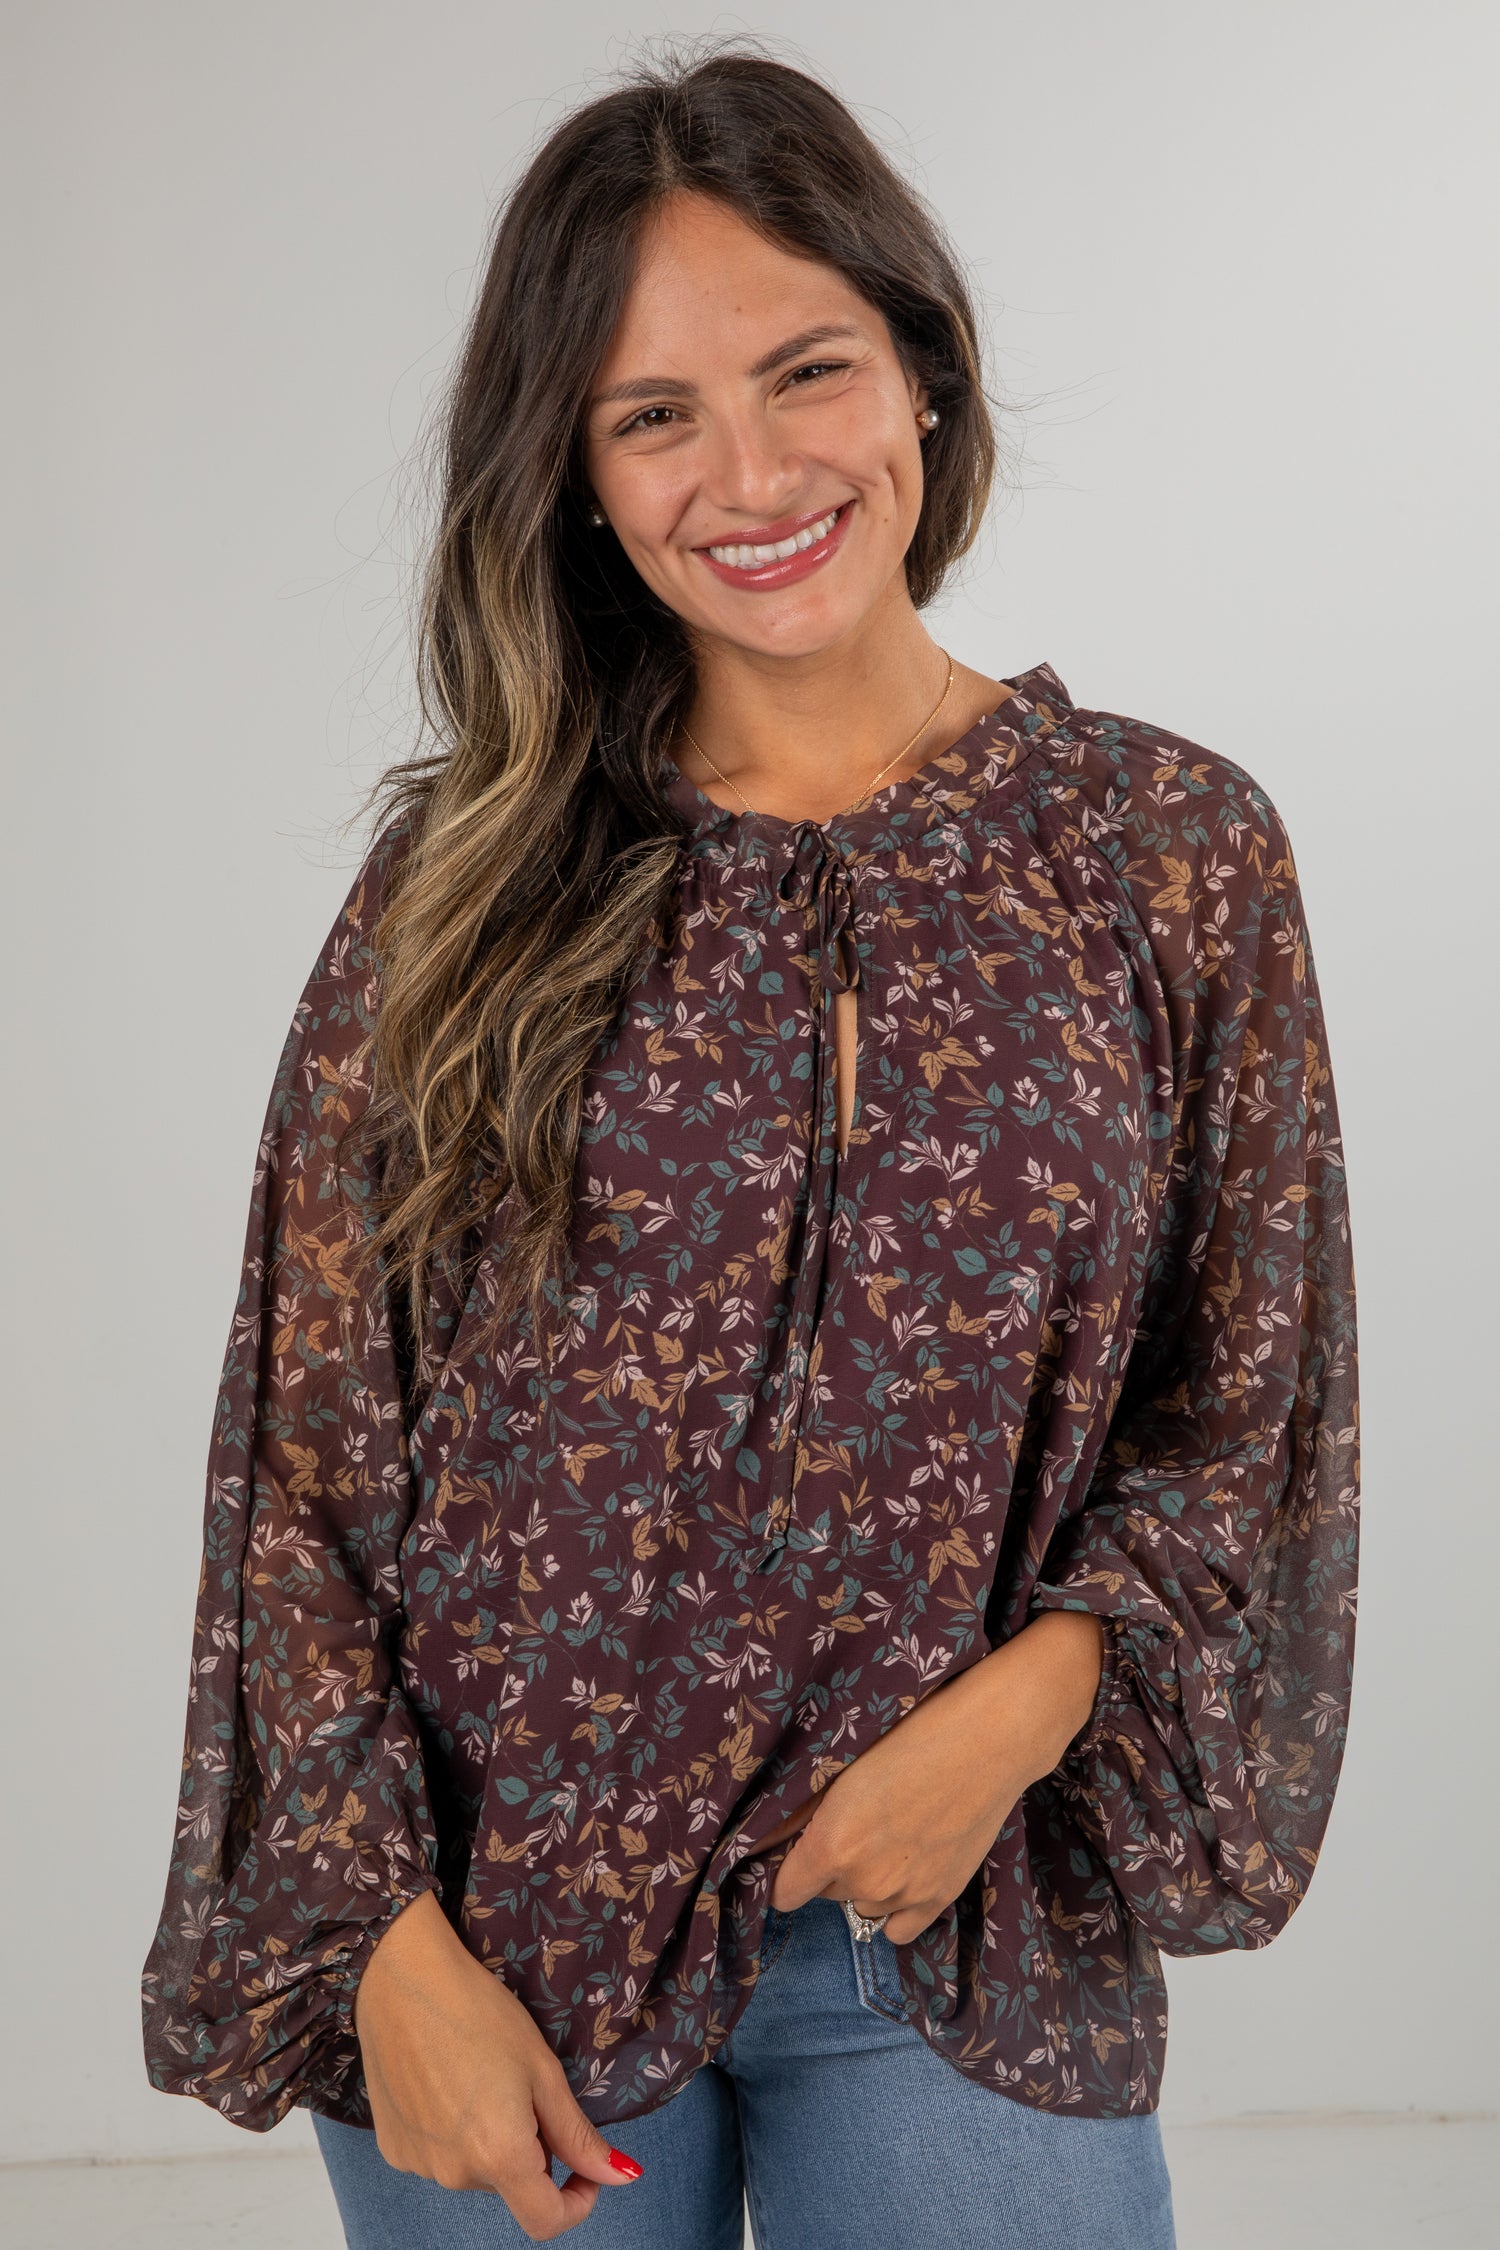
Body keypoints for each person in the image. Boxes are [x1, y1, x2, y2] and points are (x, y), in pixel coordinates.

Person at [140, 46, 1360, 2250]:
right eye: (654, 414)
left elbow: (1245, 1402)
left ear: (923, 376)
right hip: (494, 1935)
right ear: (576, 475)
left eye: (809, 370)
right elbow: (310, 1461)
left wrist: (1029, 1704)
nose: (757, 472)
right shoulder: (459, 887)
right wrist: (383, 1944)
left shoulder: (1165, 852)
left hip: (955, 1919)